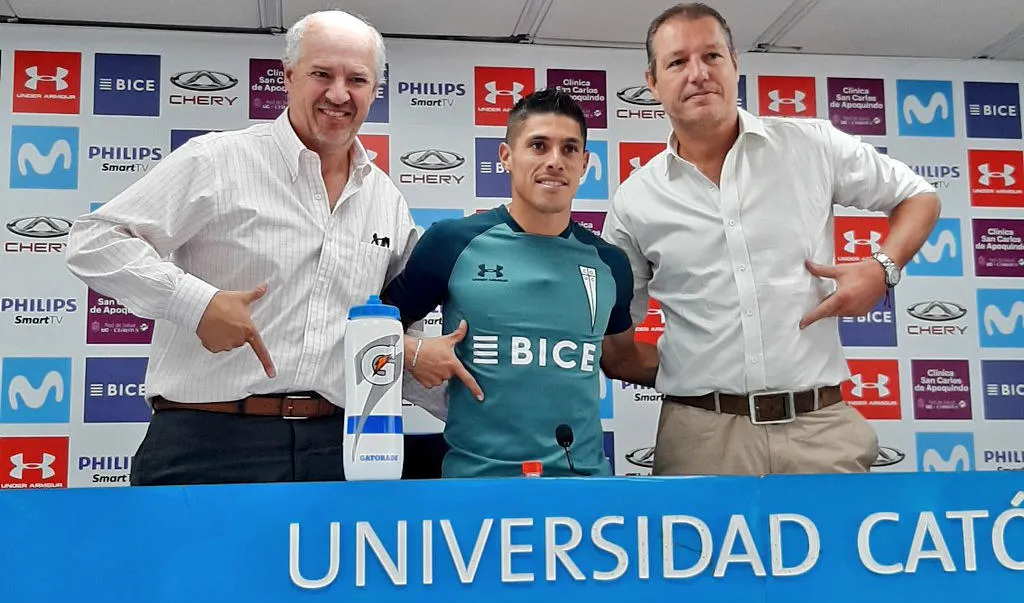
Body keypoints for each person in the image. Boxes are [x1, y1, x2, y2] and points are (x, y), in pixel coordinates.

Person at [64, 10, 424, 485]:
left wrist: (417, 353)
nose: (339, 94)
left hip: (339, 450)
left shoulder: (386, 200)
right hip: (209, 443)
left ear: (375, 90)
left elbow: (397, 321)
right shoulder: (217, 160)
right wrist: (197, 302)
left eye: (357, 79)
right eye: (322, 74)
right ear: (289, 76)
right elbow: (93, 241)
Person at [602, 3, 941, 476]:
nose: (698, 73)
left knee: (839, 550)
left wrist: (882, 267)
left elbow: (918, 196)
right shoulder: (634, 201)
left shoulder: (812, 145)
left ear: (735, 63)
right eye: (677, 62)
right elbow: (616, 349)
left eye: (712, 56)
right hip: (702, 438)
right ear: (653, 82)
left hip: (820, 430)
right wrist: (689, 366)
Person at [382, 89, 658, 478]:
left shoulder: (610, 263)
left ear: (585, 165)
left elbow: (622, 358)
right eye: (539, 146)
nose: (554, 161)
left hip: (586, 487)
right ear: (506, 157)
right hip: (475, 485)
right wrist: (411, 349)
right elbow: (372, 329)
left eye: (569, 149)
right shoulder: (452, 242)